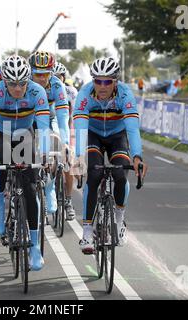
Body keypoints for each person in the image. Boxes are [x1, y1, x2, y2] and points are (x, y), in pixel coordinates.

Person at [73, 57, 148, 254]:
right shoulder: (84, 95)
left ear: (115, 81)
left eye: (107, 81)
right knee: (94, 174)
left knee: (121, 174)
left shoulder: (125, 95)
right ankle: (87, 231)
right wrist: (79, 158)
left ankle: (119, 218)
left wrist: (137, 157)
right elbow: (80, 129)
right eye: (98, 80)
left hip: (117, 135)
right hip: (93, 135)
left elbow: (132, 129)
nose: (102, 85)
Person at [0, 55, 50, 271]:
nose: (18, 88)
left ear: (28, 81)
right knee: (1, 166)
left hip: (25, 135)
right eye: (12, 84)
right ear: (4, 82)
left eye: (22, 83)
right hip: (2, 134)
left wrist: (47, 154)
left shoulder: (37, 91)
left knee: (29, 189)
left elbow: (44, 125)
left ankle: (35, 247)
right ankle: (0, 201)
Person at [28, 51, 71, 220]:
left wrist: (65, 142)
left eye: (46, 74)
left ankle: (50, 186)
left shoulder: (57, 85)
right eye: (38, 74)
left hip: (51, 118)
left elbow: (63, 116)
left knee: (56, 144)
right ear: (31, 72)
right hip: (30, 119)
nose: (42, 78)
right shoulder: (26, 84)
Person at [52, 61, 78, 220]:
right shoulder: (45, 90)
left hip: (69, 127)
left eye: (58, 76)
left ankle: (68, 200)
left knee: (69, 164)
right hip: (50, 127)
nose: (55, 79)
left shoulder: (71, 92)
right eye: (52, 76)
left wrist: (71, 140)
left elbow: (75, 116)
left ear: (63, 77)